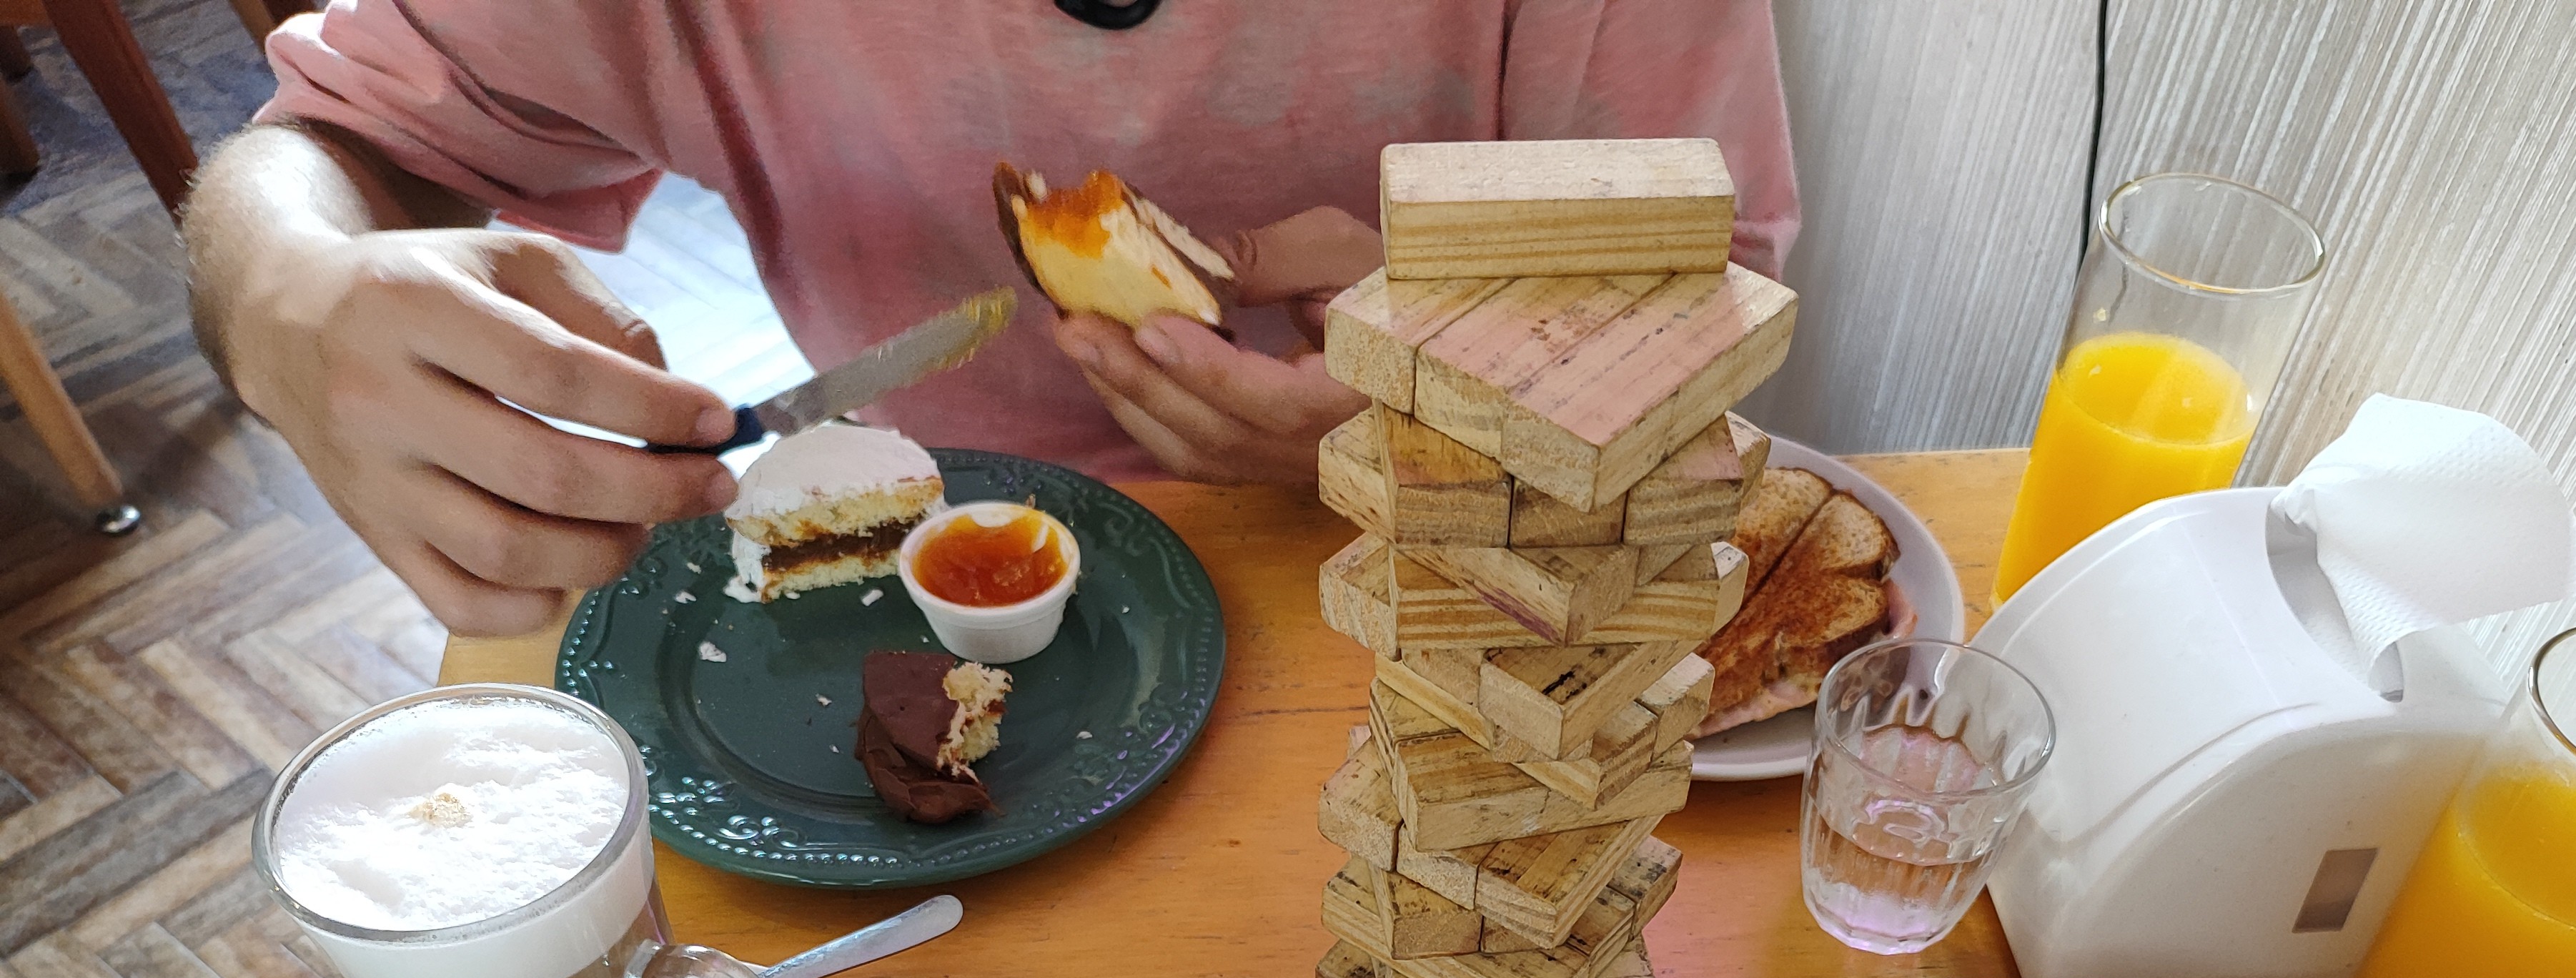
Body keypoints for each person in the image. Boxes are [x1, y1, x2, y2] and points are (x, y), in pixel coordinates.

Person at [182, 2, 1800, 636]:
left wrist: (1468, 416)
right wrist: (281, 299)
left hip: (1447, 608)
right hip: (927, 594)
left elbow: (1704, 296)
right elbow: (340, 153)